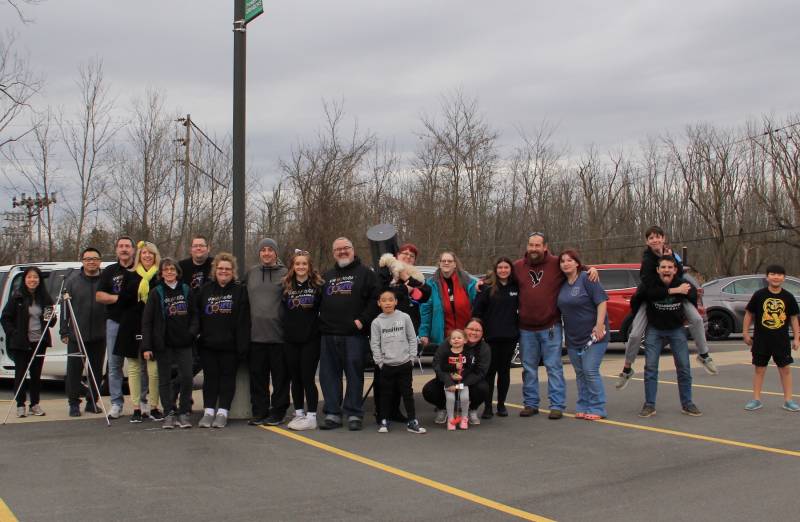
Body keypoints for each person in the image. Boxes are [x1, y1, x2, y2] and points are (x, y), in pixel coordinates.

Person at [616, 226, 717, 390]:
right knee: (634, 335)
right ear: (647, 242)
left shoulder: (671, 255)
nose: (655, 240)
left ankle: (704, 355)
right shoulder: (647, 261)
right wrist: (673, 289)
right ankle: (627, 369)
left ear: (664, 238)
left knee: (697, 319)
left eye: (658, 237)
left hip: (675, 295)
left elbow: (678, 276)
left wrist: (679, 288)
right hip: (649, 298)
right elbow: (649, 288)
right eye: (651, 238)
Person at [512, 232, 597, 420]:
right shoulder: (518, 266)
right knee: (529, 368)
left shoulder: (556, 263)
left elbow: (576, 266)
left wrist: (591, 269)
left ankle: (557, 405)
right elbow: (499, 276)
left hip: (551, 326)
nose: (533, 249)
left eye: (537, 245)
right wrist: (481, 283)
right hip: (526, 328)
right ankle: (530, 404)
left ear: (545, 247)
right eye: (531, 245)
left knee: (554, 367)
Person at [318, 237, 379, 431]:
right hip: (328, 334)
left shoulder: (366, 274)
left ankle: (354, 413)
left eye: (346, 248)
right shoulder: (327, 276)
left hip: (354, 335)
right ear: (333, 253)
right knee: (329, 375)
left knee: (354, 374)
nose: (342, 252)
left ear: (353, 250)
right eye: (338, 249)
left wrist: (362, 321)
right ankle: (333, 413)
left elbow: (376, 299)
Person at [191, 253, 250, 428]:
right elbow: (197, 315)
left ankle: (223, 412)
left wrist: (242, 347)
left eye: (227, 269)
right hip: (208, 345)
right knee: (210, 379)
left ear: (233, 272)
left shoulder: (240, 291)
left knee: (227, 379)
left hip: (230, 346)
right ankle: (208, 411)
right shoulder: (205, 290)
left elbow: (243, 321)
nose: (224, 271)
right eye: (221, 268)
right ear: (215, 270)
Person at [638, 256, 702, 418]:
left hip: (676, 330)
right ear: (658, 270)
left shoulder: (682, 283)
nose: (666, 270)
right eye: (663, 267)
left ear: (674, 270)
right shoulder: (651, 284)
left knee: (684, 368)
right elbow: (649, 294)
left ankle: (687, 404)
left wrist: (691, 295)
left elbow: (693, 297)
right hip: (655, 330)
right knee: (651, 368)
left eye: (669, 267)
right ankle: (649, 405)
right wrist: (674, 291)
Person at [374, 242, 431, 423]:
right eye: (404, 253)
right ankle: (381, 412)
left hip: (407, 327)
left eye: (411, 255)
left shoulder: (418, 276)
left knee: (402, 372)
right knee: (383, 374)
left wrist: (407, 279)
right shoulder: (385, 270)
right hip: (386, 328)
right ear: (397, 255)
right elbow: (383, 293)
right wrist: (404, 288)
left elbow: (424, 294)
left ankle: (395, 410)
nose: (407, 257)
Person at [141, 258, 195, 429]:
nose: (170, 272)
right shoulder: (156, 292)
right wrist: (147, 346)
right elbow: (147, 321)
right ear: (161, 273)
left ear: (177, 271)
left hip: (184, 343)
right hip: (163, 344)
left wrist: (191, 334)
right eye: (166, 270)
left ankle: (184, 412)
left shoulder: (186, 290)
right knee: (163, 379)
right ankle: (168, 413)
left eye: (172, 269)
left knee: (187, 377)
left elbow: (195, 316)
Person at [557, 250, 609, 420]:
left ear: (577, 263)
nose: (566, 263)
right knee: (580, 372)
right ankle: (583, 404)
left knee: (590, 370)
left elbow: (601, 301)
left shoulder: (588, 278)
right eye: (563, 261)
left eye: (570, 260)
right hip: (573, 337)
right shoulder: (561, 284)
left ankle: (597, 407)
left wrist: (599, 325)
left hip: (594, 336)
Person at [115, 240, 162, 423]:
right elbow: (122, 302)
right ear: (139, 256)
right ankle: (136, 408)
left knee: (154, 370)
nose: (147, 256)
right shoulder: (130, 276)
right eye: (144, 253)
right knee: (134, 369)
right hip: (132, 326)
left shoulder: (160, 276)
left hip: (154, 328)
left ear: (155, 255)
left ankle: (153, 406)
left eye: (150, 253)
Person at [742, 265, 800, 412]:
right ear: (767, 277)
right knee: (759, 369)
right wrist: (745, 333)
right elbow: (749, 314)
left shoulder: (788, 297)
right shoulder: (759, 295)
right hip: (761, 340)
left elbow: (793, 319)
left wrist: (797, 338)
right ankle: (756, 399)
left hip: (781, 340)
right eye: (773, 274)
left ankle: (788, 400)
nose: (776, 277)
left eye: (779, 274)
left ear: (784, 278)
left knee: (785, 370)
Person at [244, 238, 289, 426]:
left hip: (279, 336)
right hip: (256, 337)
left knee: (280, 379)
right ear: (260, 253)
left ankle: (278, 412)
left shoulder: (286, 273)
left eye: (270, 250)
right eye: (263, 250)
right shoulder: (251, 274)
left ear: (276, 253)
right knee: (257, 379)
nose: (267, 253)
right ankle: (259, 412)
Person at [370, 290, 426, 434]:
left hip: (404, 364)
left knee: (407, 394)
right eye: (384, 300)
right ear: (379, 303)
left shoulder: (405, 317)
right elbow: (374, 344)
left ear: (395, 302)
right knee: (385, 394)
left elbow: (412, 338)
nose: (387, 303)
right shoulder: (376, 322)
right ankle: (384, 421)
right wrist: (380, 362)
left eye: (390, 300)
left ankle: (412, 421)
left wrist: (412, 358)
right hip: (386, 366)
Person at [1, 266, 55, 418]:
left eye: (35, 277)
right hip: (21, 343)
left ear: (39, 280)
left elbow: (50, 321)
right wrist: (13, 333)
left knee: (36, 375)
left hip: (39, 341)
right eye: (30, 277)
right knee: (21, 374)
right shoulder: (17, 297)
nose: (33, 280)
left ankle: (35, 404)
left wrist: (51, 317)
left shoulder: (45, 298)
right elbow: (5, 318)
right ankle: (20, 404)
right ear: (25, 280)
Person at [61, 247, 106, 417]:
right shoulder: (72, 281)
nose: (91, 262)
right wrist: (64, 330)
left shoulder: (105, 280)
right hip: (76, 335)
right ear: (82, 261)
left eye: (95, 258)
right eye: (88, 259)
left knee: (95, 371)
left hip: (99, 334)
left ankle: (92, 402)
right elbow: (65, 307)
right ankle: (73, 403)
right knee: (73, 372)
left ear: (100, 261)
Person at [282, 250, 324, 431]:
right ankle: (299, 414)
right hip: (290, 340)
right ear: (292, 266)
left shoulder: (317, 286)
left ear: (309, 266)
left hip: (311, 340)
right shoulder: (286, 286)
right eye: (297, 264)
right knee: (295, 379)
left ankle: (312, 416)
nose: (300, 267)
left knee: (307, 378)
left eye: (304, 264)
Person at [472, 256, 518, 419]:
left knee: (504, 372)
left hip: (510, 337)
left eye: (506, 267)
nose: (503, 270)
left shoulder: (516, 287)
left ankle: (501, 405)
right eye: (500, 268)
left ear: (510, 269)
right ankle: (488, 407)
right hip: (490, 338)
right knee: (489, 373)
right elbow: (476, 312)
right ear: (495, 269)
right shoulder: (485, 287)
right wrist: (479, 333)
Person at [96, 236, 137, 419]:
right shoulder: (110, 271)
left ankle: (141, 402)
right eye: (121, 246)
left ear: (133, 249)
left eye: (127, 246)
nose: (124, 249)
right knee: (114, 365)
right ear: (116, 250)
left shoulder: (139, 270)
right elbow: (99, 296)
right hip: (114, 322)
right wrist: (119, 299)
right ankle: (116, 403)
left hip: (135, 323)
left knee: (138, 365)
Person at [423, 318, 490, 426]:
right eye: (471, 329)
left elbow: (480, 372)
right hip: (448, 379)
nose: (474, 332)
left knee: (483, 388)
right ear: (464, 330)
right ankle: (442, 408)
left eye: (478, 330)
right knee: (429, 390)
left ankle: (471, 410)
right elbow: (437, 364)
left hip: (467, 382)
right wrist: (448, 381)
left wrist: (462, 384)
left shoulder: (484, 348)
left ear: (482, 333)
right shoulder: (450, 342)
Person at [419, 251, 478, 349]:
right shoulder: (431, 285)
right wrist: (424, 333)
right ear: (439, 264)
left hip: (466, 335)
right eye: (443, 261)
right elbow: (426, 312)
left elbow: (477, 308)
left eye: (449, 261)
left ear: (455, 264)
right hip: (443, 338)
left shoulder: (468, 283)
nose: (446, 263)